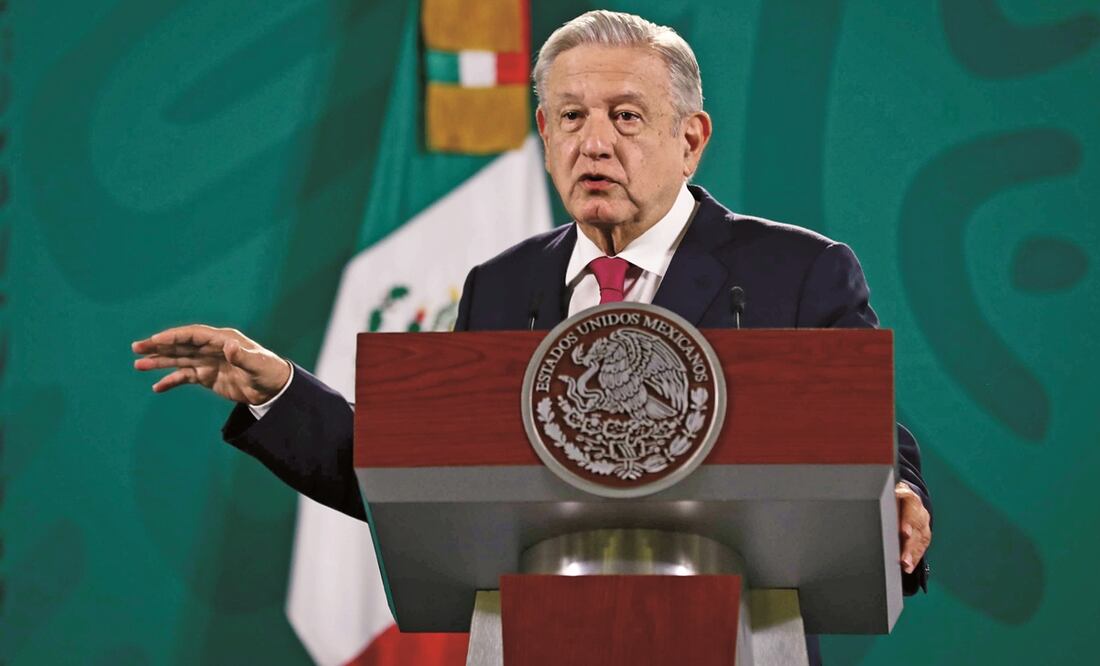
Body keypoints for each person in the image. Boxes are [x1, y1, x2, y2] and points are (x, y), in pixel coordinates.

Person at [133, 10, 931, 662]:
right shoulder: (499, 285)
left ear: (691, 138)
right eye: (572, 118)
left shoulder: (797, 269)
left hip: (740, 632)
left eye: (626, 117)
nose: (595, 143)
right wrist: (281, 392)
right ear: (545, 133)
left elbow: (859, 424)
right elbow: (413, 469)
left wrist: (897, 491)